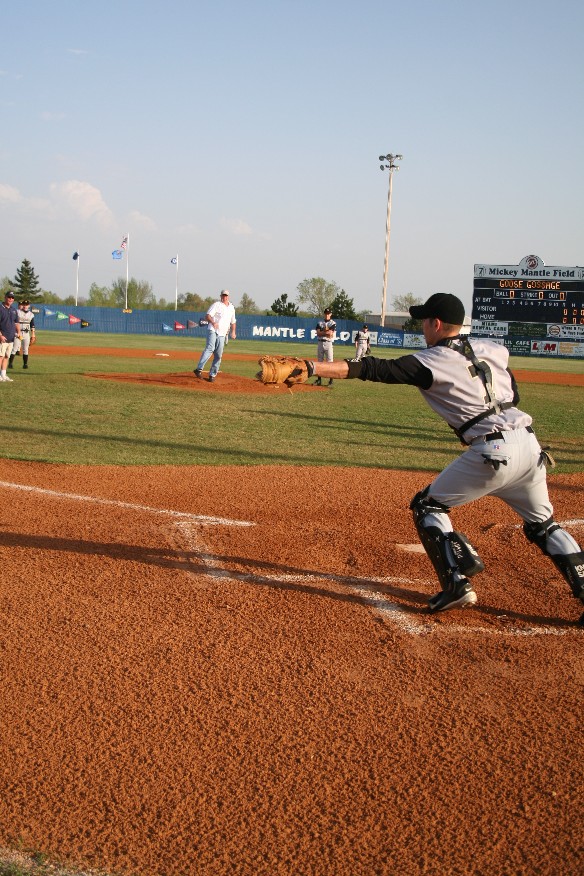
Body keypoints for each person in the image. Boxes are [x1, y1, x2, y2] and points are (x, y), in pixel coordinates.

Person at [270, 293, 584, 624]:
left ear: (436, 324)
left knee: (428, 506)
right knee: (543, 525)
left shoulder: (431, 360)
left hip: (493, 450)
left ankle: (456, 582)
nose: (422, 328)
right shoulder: (493, 350)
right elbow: (513, 395)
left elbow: (374, 368)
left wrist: (311, 366)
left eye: (424, 321)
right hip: (530, 446)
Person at [194, 289, 236, 382]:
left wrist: (233, 332)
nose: (224, 297)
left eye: (226, 295)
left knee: (218, 355)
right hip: (213, 330)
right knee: (210, 348)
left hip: (223, 333)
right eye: (223, 295)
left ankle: (212, 375)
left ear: (228, 297)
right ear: (221, 296)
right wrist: (213, 322)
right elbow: (207, 315)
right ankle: (198, 369)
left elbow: (233, 322)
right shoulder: (216, 305)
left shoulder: (231, 308)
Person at [0, 291, 21, 383]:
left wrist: (19, 332)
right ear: (5, 297)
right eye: (9, 297)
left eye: (12, 298)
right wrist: (0, 335)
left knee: (6, 356)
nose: (11, 299)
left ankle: (3, 375)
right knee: (0, 356)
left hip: (11, 337)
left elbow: (16, 322)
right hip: (2, 337)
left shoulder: (14, 310)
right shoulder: (0, 308)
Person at [9, 299, 36, 369]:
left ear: (29, 306)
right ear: (22, 305)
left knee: (25, 349)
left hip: (26, 333)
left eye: (26, 305)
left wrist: (33, 335)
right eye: (24, 304)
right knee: (15, 348)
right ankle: (10, 363)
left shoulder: (31, 314)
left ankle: (25, 364)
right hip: (18, 333)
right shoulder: (17, 312)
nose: (25, 306)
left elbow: (32, 325)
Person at [314, 307, 336, 387]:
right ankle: (319, 380)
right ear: (324, 314)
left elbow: (330, 333)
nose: (327, 315)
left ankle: (331, 381)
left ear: (330, 314)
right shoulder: (320, 322)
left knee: (330, 362)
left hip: (328, 343)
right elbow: (318, 333)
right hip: (320, 343)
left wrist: (322, 332)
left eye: (328, 313)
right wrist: (325, 332)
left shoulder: (332, 323)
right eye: (326, 313)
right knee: (319, 362)